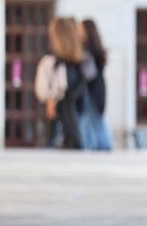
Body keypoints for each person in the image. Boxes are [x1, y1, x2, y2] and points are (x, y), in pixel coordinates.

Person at [34, 16, 89, 149]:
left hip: (71, 105)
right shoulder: (74, 59)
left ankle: (53, 139)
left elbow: (66, 89)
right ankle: (55, 139)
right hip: (72, 105)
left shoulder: (66, 62)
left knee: (65, 107)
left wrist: (54, 99)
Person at [78, 19, 113, 150]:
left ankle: (104, 145)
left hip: (91, 88)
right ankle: (91, 144)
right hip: (95, 87)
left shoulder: (89, 50)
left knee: (94, 117)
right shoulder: (95, 49)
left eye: (81, 29)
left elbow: (89, 74)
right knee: (89, 118)